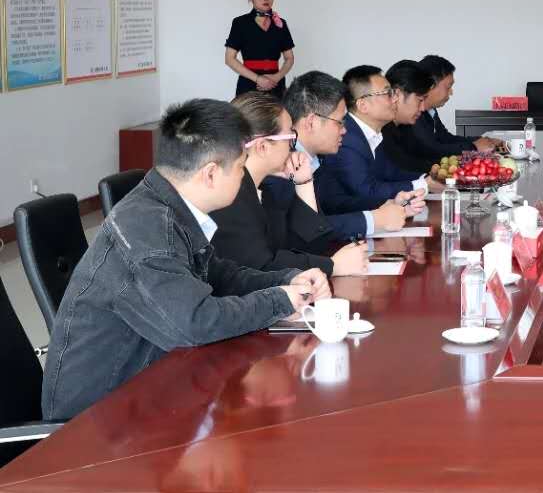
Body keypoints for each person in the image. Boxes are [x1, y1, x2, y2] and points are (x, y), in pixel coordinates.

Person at [41, 99, 331, 420]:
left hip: (151, 389)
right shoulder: (149, 227)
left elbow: (220, 276)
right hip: (97, 422)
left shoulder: (169, 204)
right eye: (240, 167)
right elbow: (196, 322)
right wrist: (278, 301)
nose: (243, 177)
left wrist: (286, 281)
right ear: (210, 174)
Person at [213, 92, 368, 276]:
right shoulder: (230, 197)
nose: (293, 147)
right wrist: (332, 266)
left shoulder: (263, 190)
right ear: (262, 146)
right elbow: (261, 267)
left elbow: (306, 248)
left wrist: (304, 183)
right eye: (290, 137)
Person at [267, 70, 425, 242]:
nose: (344, 130)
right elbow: (299, 232)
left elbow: (335, 203)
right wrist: (373, 220)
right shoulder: (280, 166)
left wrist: (388, 205)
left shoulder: (319, 159)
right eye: (340, 122)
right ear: (311, 122)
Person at [314, 65, 432, 214]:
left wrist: (427, 178)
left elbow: (390, 173)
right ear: (363, 105)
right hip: (342, 223)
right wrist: (424, 184)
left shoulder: (371, 132)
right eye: (388, 93)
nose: (396, 99)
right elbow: (367, 191)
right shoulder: (346, 137)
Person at [412, 55, 499, 165]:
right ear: (430, 86)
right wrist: (473, 146)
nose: (451, 92)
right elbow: (432, 150)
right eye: (448, 87)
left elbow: (445, 138)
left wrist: (482, 140)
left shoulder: (430, 111)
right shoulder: (412, 114)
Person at [224, 0, 295, 100]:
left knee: (278, 112)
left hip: (275, 84)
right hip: (249, 83)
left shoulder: (281, 23)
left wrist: (276, 77)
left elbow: (289, 58)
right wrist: (258, 79)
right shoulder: (240, 23)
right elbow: (229, 59)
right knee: (247, 113)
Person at [378, 59, 441, 175]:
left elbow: (419, 160)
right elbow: (401, 171)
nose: (422, 108)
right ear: (397, 95)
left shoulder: (405, 126)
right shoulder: (379, 132)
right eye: (420, 100)